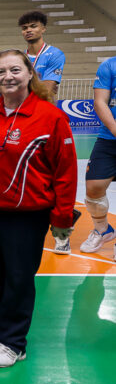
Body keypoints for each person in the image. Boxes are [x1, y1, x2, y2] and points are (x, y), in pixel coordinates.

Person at [0, 50, 77, 367]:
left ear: (29, 74)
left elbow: (65, 171)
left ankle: (13, 341)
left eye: (15, 70)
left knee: (19, 277)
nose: (7, 77)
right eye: (0, 72)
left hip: (26, 214)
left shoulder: (50, 117)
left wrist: (62, 216)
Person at [79, 56, 116, 258]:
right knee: (93, 188)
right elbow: (100, 101)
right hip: (109, 138)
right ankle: (103, 230)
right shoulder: (109, 65)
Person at [19, 10, 66, 99]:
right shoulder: (20, 57)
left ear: (43, 29)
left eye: (33, 26)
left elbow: (46, 90)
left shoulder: (55, 54)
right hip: (21, 107)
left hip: (43, 107)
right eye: (24, 28)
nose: (28, 30)